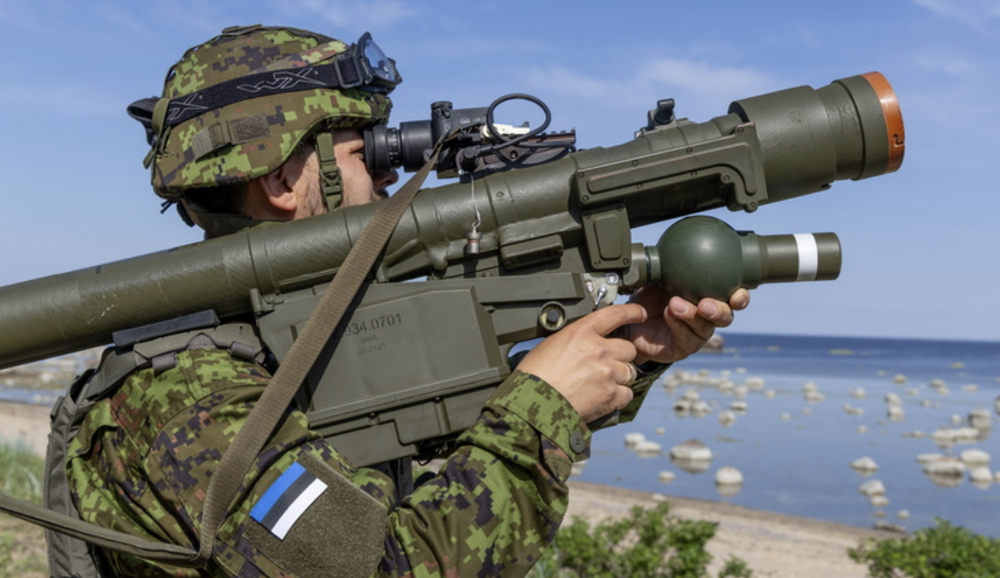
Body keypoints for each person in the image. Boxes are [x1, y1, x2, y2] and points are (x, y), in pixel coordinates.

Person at [63, 25, 748, 578]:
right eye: (368, 154)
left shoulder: (281, 338)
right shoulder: (188, 400)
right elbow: (388, 564)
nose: (392, 179)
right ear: (282, 180)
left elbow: (462, 442)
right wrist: (542, 407)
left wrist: (630, 344)